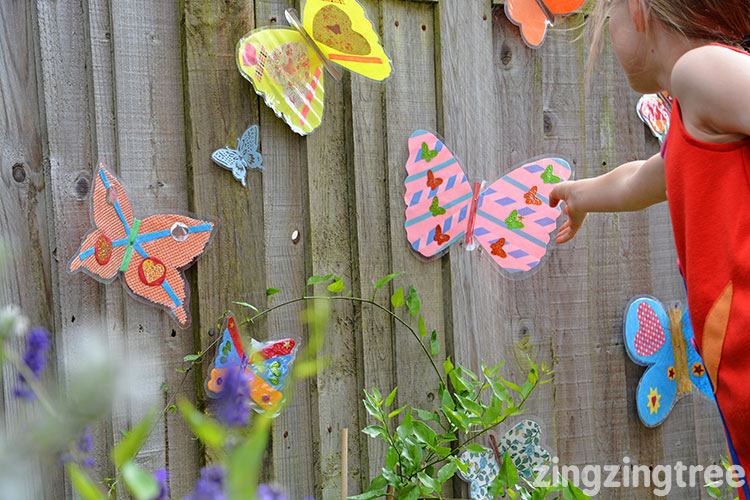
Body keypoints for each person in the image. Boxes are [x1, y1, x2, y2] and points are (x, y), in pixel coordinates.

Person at [548, 0, 750, 496]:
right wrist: (581, 196)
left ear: (637, 10)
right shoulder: (694, 111)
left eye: (606, 16)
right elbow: (644, 177)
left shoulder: (701, 71)